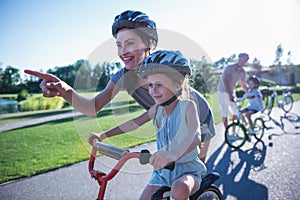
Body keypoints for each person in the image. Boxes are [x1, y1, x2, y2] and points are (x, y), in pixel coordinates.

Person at [24, 10, 215, 162]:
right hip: (167, 122)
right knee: (167, 178)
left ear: (151, 43)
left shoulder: (165, 65)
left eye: (130, 43)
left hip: (198, 117)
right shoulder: (123, 77)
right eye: (119, 45)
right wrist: (65, 90)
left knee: (193, 170)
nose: (123, 52)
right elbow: (92, 107)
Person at [89, 50, 207, 200]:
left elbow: (195, 136)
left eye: (159, 85)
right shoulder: (156, 110)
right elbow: (134, 123)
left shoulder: (188, 107)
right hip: (162, 172)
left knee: (179, 189)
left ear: (177, 85)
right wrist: (103, 135)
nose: (153, 91)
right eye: (150, 85)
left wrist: (173, 154)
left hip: (188, 170)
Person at [217, 53, 249, 128]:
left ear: (246, 62)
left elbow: (244, 85)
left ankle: (232, 130)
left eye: (244, 60)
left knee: (236, 111)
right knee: (225, 112)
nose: (242, 62)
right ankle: (227, 132)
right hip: (222, 91)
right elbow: (224, 81)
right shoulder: (229, 68)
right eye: (241, 59)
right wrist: (230, 94)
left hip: (231, 92)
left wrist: (251, 92)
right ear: (238, 59)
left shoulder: (243, 72)